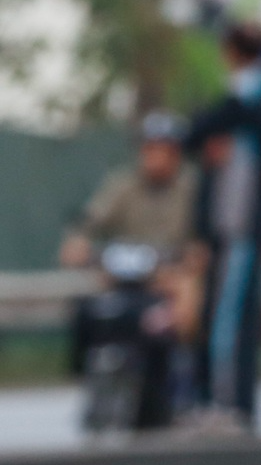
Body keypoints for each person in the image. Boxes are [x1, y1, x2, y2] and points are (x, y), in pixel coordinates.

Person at [186, 21, 261, 428]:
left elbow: (194, 132)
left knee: (227, 316)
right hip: (234, 228)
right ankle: (227, 400)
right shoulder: (255, 103)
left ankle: (225, 403)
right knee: (227, 314)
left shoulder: (247, 101)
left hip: (236, 228)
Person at [61, 110, 207, 375]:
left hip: (166, 271)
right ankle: (92, 363)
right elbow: (92, 218)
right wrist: (78, 240)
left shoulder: (191, 187)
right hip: (126, 271)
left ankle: (183, 372)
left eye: (161, 149)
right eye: (148, 148)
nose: (152, 156)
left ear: (175, 154)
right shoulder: (124, 184)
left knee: (188, 291)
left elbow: (202, 235)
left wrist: (195, 252)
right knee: (91, 300)